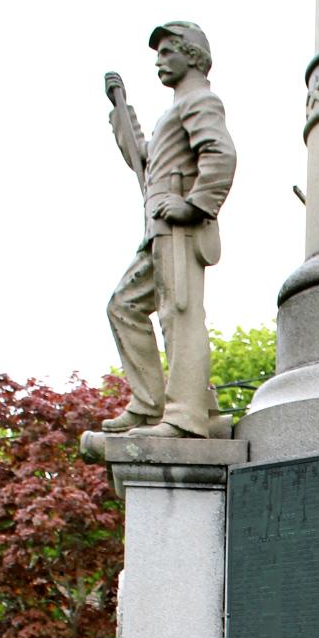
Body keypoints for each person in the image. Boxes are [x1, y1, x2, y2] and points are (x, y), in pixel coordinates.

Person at [103, 22, 237, 438]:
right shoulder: (173, 112)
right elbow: (145, 163)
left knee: (180, 315)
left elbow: (220, 153)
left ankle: (185, 417)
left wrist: (194, 204)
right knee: (123, 306)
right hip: (157, 229)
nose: (159, 61)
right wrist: (121, 115)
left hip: (179, 227)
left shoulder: (200, 101)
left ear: (192, 55)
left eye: (166, 51)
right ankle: (147, 406)